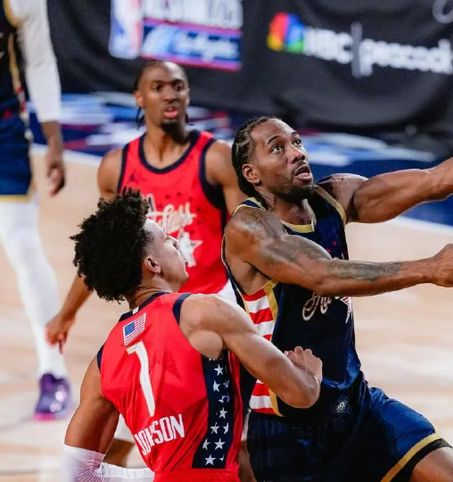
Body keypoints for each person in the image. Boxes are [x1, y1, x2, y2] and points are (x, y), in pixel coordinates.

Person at [222, 79, 453, 482]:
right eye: (277, 148)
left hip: (357, 405)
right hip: (288, 430)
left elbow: (437, 180)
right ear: (252, 173)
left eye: (296, 142)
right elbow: (322, 275)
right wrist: (428, 268)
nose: (296, 153)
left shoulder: (334, 198)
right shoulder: (249, 229)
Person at [44, 59, 247, 468]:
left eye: (178, 86)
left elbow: (249, 239)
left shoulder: (215, 158)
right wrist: (66, 313)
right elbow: (104, 250)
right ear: (139, 97)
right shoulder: (117, 167)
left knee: (234, 446)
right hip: (155, 318)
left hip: (214, 308)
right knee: (116, 443)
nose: (170, 94)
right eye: (158, 87)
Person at [62, 190, 322, 482]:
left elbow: (77, 474)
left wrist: (164, 476)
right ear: (152, 264)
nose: (176, 241)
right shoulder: (205, 312)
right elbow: (299, 394)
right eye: (166, 240)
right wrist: (311, 377)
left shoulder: (101, 364)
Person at [0, 0, 70, 419]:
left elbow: (40, 59)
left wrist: (54, 139)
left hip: (3, 129)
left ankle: (53, 372)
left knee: (22, 245)